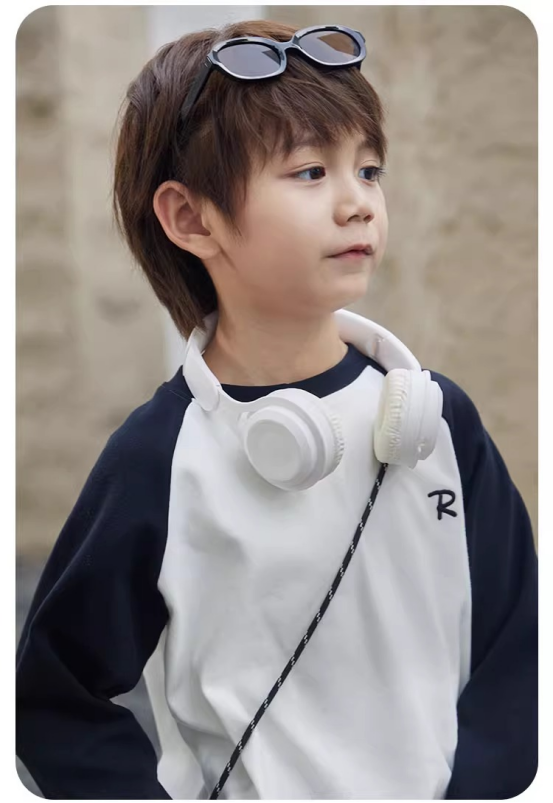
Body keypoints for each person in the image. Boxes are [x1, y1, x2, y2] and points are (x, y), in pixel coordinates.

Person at [16, 18, 537, 801]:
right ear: (191, 218)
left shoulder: (436, 421)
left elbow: (520, 655)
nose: (357, 203)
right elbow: (57, 698)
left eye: (368, 168)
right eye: (309, 171)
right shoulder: (157, 458)